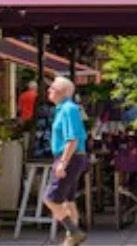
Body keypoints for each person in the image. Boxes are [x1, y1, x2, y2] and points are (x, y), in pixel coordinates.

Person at [42, 77, 90, 246]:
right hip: (72, 157)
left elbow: (72, 139)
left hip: (69, 156)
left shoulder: (69, 109)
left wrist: (63, 163)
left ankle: (74, 232)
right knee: (68, 201)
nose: (49, 90)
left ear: (62, 92)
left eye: (52, 88)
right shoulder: (63, 109)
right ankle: (73, 240)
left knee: (50, 198)